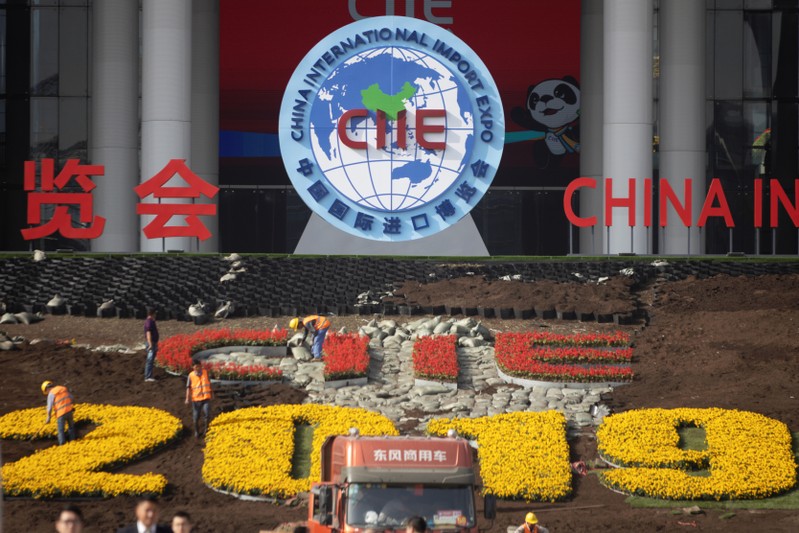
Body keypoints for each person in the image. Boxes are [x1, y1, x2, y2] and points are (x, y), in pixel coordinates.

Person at [42, 380, 76, 445]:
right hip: (69, 411)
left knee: (61, 430)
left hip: (61, 414)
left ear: (47, 389)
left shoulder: (51, 393)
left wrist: (48, 418)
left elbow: (49, 408)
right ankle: (72, 441)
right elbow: (71, 397)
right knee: (71, 427)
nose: (47, 393)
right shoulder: (63, 388)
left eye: (46, 392)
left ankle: (62, 444)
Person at [185, 360, 213, 438]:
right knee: (196, 416)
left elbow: (209, 383)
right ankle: (196, 431)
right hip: (196, 399)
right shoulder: (191, 376)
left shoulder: (205, 372)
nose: (198, 368)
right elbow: (188, 388)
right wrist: (187, 398)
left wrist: (211, 393)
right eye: (196, 366)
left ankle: (206, 429)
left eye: (199, 366)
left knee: (207, 414)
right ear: (193, 367)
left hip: (206, 398)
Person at [144, 307, 159, 382]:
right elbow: (148, 333)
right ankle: (148, 376)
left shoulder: (151, 321)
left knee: (151, 359)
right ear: (153, 313)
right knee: (149, 360)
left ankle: (149, 375)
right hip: (151, 343)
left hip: (153, 343)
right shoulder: (149, 322)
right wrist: (150, 344)